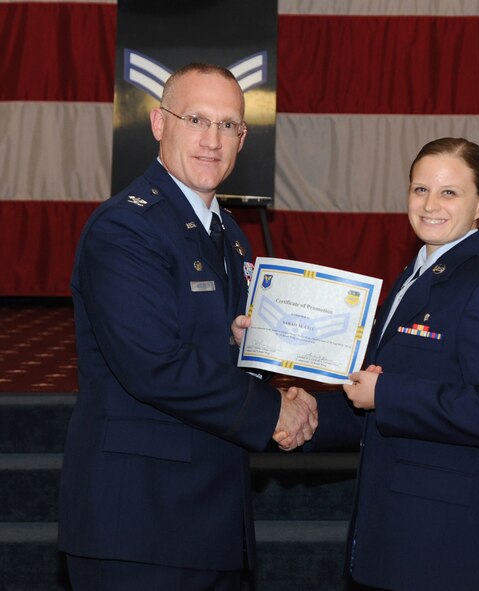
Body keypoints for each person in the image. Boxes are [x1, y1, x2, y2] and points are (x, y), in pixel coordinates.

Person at [58, 63, 318, 590]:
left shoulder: (230, 236)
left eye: (229, 125)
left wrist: (258, 352)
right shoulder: (126, 228)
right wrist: (274, 411)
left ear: (243, 138)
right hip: (140, 521)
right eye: (196, 119)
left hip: (211, 518)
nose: (212, 140)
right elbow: (155, 364)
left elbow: (204, 342)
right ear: (158, 123)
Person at [293, 137, 479, 590]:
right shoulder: (412, 276)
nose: (430, 205)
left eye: (449, 192)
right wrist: (302, 415)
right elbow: (370, 397)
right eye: (420, 189)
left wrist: (386, 392)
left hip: (451, 552)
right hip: (400, 538)